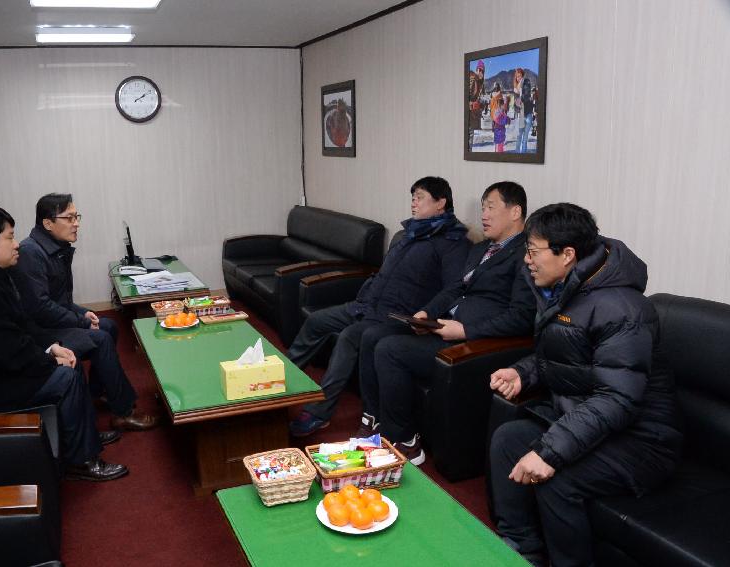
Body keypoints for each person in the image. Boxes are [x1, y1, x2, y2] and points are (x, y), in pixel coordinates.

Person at [488, 203, 682, 567]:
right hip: (590, 419)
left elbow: (618, 398)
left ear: (568, 255)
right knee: (506, 441)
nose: (526, 260)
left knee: (558, 479)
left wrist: (550, 453)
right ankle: (520, 547)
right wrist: (523, 373)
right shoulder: (567, 290)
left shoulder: (622, 309)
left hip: (642, 440)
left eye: (533, 251)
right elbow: (565, 357)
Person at [0, 206, 128, 481]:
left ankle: (87, 436)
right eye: (9, 237)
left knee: (68, 359)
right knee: (65, 377)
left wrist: (52, 347)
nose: (16, 245)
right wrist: (49, 360)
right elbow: (9, 351)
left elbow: (19, 327)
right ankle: (82, 460)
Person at [358, 181, 535, 463]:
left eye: (490, 208)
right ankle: (374, 418)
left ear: (515, 212)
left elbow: (522, 317)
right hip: (445, 326)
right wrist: (426, 313)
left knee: (389, 349)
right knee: (372, 335)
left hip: (474, 342)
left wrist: (466, 330)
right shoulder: (481, 250)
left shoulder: (526, 256)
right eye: (482, 208)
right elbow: (455, 289)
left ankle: (405, 441)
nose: (483, 216)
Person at [288, 177, 472, 436]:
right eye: (412, 197)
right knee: (316, 321)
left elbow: (453, 289)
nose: (413, 202)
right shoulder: (409, 233)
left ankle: (320, 412)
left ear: (441, 203)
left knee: (350, 338)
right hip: (364, 306)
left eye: (420, 197)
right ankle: (279, 382)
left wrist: (426, 314)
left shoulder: (453, 243)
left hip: (393, 317)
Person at [11, 193, 157, 432]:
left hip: (51, 320)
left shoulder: (55, 247)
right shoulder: (30, 253)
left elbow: (62, 300)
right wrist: (80, 320)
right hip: (40, 331)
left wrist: (83, 314)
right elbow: (39, 308)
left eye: (76, 216)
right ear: (48, 224)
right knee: (99, 338)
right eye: (69, 218)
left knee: (107, 324)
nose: (76, 223)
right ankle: (124, 411)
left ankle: (98, 392)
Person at [468, 59, 487, 148]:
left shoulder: (481, 83)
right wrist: (472, 104)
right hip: (468, 114)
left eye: (482, 70)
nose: (480, 72)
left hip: (474, 114)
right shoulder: (472, 79)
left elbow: (481, 99)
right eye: (479, 69)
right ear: (476, 70)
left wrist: (482, 104)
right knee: (469, 135)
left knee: (471, 134)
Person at [516, 77, 534, 153]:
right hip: (524, 114)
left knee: (522, 135)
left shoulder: (529, 96)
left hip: (526, 114)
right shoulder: (522, 96)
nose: (527, 87)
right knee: (522, 136)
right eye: (526, 85)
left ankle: (521, 152)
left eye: (528, 85)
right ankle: (521, 152)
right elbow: (517, 105)